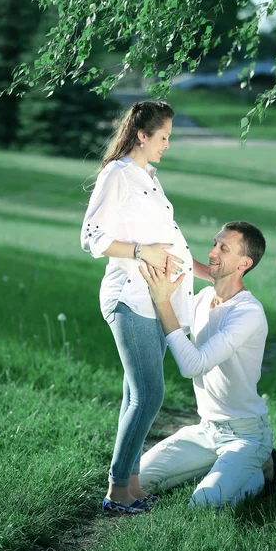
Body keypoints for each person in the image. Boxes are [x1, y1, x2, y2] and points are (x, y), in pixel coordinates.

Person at [80, 100, 211, 514]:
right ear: (142, 135)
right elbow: (91, 236)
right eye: (164, 137)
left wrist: (214, 274)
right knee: (150, 395)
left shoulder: (148, 178)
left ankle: (132, 483)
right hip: (129, 298)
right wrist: (141, 251)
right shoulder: (117, 175)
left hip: (156, 298)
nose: (167, 145)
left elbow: (171, 245)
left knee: (134, 395)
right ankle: (117, 489)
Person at [139, 221, 276, 509]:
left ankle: (261, 472)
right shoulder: (202, 299)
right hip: (206, 430)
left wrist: (163, 302)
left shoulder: (248, 313)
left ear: (244, 263)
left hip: (246, 435)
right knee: (137, 479)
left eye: (223, 248)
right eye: (214, 244)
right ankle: (223, 468)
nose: (212, 251)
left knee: (203, 505)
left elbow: (194, 365)